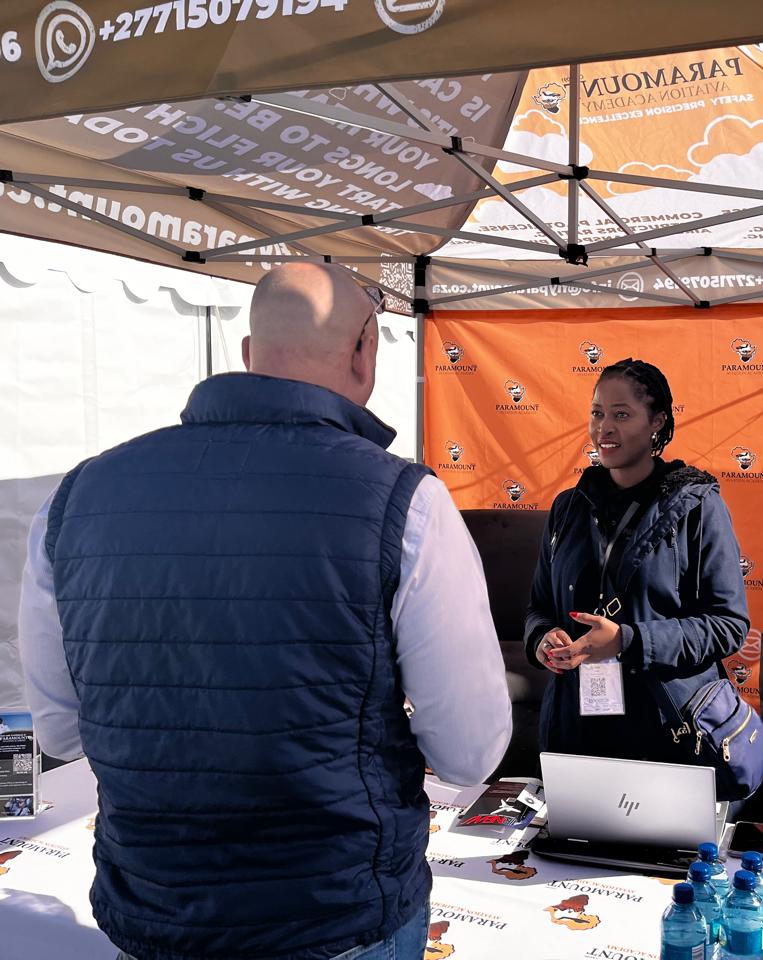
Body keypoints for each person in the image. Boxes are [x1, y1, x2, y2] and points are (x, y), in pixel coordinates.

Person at [18, 263, 512, 960]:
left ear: (249, 354)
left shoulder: (77, 496)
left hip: (156, 909)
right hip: (335, 913)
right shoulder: (405, 502)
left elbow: (61, 732)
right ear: (365, 350)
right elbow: (469, 750)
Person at [524, 358, 749, 776]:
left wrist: (627, 641)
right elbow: (539, 606)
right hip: (575, 729)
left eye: (621, 415)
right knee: (574, 822)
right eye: (597, 413)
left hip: (666, 730)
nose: (603, 428)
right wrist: (541, 638)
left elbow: (727, 625)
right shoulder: (567, 507)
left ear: (656, 423)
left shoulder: (698, 506)